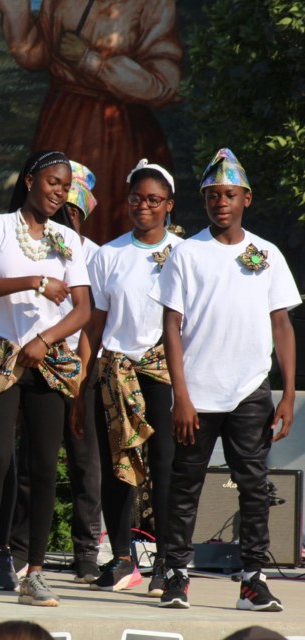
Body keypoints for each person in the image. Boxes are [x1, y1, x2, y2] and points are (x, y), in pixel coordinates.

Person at [150, 149, 299, 612]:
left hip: (250, 390)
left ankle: (252, 580)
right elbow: (170, 326)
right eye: (213, 195)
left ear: (246, 199)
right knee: (186, 485)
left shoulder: (266, 254)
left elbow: (281, 325)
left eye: (229, 195)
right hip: (198, 393)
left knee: (254, 486)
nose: (221, 203)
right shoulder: (186, 253)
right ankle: (175, 574)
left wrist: (288, 393)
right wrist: (180, 395)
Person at [0, 151, 91, 606]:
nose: (59, 191)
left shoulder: (67, 239)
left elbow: (83, 309)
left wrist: (48, 339)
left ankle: (35, 571)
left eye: (65, 186)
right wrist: (33, 280)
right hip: (0, 355)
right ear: (32, 180)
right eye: (53, 182)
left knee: (41, 466)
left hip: (48, 360)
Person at [73, 159, 181, 595]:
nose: (144, 207)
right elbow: (94, 326)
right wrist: (82, 385)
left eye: (154, 200)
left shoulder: (182, 253)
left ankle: (167, 564)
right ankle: (121, 559)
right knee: (118, 469)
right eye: (137, 199)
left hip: (162, 373)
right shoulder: (108, 254)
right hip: (114, 374)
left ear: (168, 205)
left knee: (164, 468)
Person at [0, 0, 182, 244]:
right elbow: (36, 54)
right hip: (62, 123)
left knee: (106, 224)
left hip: (118, 134)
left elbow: (165, 85)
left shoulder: (153, 3)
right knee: (53, 217)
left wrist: (90, 60)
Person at [5, 161, 103, 585]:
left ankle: (86, 553)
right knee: (29, 460)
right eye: (66, 209)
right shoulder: (25, 240)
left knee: (82, 462)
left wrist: (80, 376)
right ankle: (19, 550)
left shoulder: (90, 253)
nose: (69, 216)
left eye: (76, 210)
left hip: (71, 361)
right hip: (25, 358)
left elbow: (89, 320)